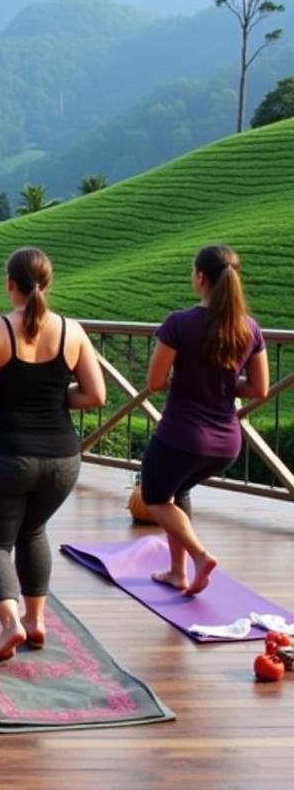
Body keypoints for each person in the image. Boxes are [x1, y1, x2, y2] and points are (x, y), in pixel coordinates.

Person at [0, 247, 106, 661]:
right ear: (48, 282)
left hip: (4, 455)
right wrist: (56, 400)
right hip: (62, 460)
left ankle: (10, 625)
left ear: (10, 285)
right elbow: (96, 394)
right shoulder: (72, 332)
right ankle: (36, 621)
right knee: (33, 531)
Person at [142, 244, 268, 596]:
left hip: (181, 436)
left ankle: (199, 557)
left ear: (200, 277)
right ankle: (177, 571)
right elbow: (259, 387)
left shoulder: (178, 324)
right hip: (226, 443)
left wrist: (188, 377)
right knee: (177, 490)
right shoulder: (250, 328)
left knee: (154, 497)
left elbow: (154, 382)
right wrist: (222, 381)